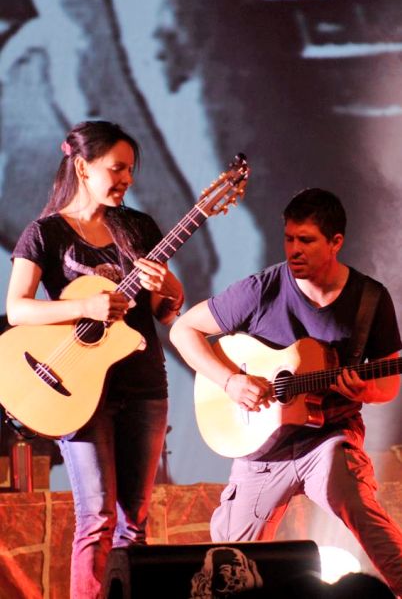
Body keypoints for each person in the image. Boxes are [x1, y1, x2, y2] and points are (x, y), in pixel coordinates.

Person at [170, 188, 402, 597]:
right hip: (263, 450)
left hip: (328, 438)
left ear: (336, 243)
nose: (294, 249)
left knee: (364, 513)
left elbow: (389, 383)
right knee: (227, 563)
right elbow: (182, 329)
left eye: (306, 240)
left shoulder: (369, 300)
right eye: (289, 238)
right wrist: (230, 380)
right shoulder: (263, 289)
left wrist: (365, 389)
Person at [6, 120, 184, 599]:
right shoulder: (44, 233)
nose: (127, 178)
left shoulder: (139, 227)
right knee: (98, 517)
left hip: (144, 385)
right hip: (77, 388)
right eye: (117, 168)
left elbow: (169, 310)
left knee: (135, 521)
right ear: (83, 168)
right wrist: (84, 306)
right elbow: (18, 307)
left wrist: (166, 285)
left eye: (131, 169)